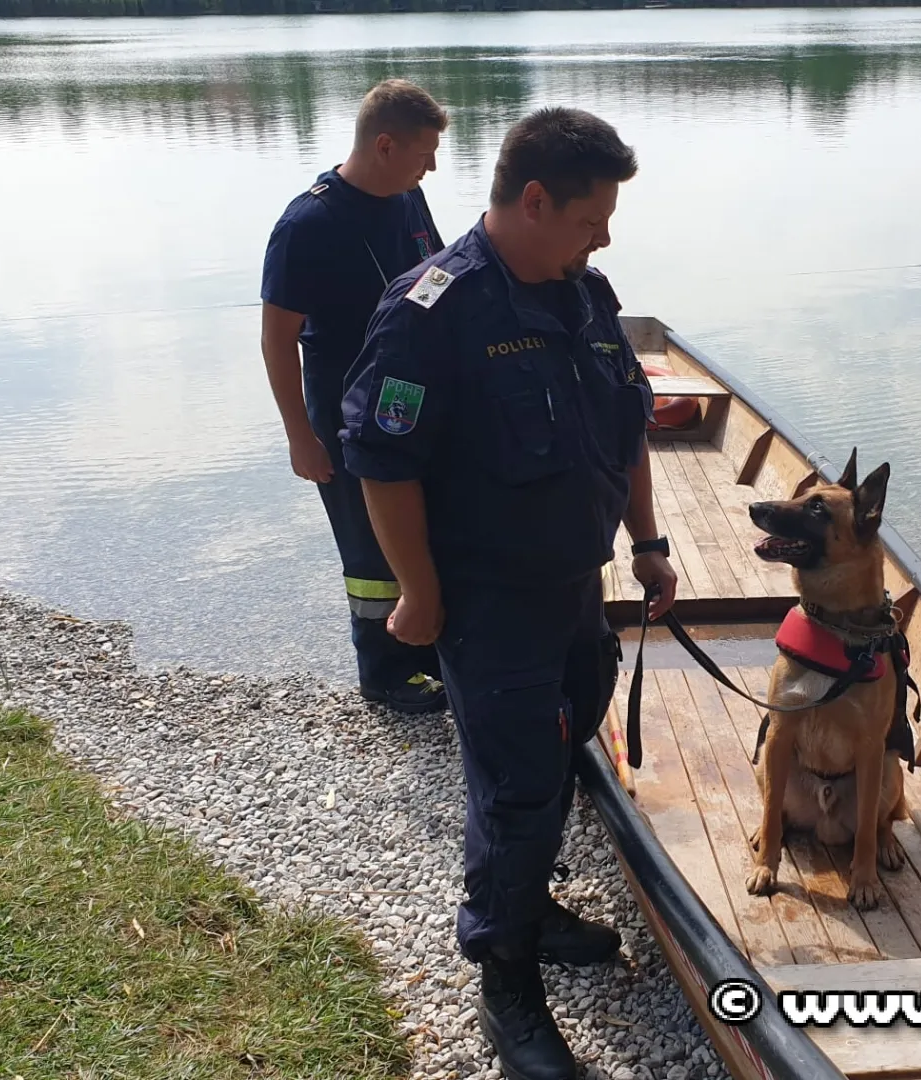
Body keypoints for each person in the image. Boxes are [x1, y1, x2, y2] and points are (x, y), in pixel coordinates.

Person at [340, 107, 679, 1080]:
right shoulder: (431, 313)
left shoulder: (585, 294)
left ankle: (529, 903)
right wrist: (416, 592)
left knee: (562, 749)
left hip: (576, 589)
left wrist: (649, 543)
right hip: (488, 605)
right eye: (591, 219)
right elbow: (383, 464)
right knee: (519, 783)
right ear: (534, 201)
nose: (603, 238)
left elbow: (627, 426)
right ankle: (507, 985)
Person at [259, 78, 451, 714]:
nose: (431, 167)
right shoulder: (308, 224)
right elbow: (277, 339)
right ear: (385, 145)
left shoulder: (409, 197)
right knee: (369, 546)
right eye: (424, 154)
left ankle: (429, 648)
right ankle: (384, 671)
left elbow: (441, 278)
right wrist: (300, 437)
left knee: (426, 525)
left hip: (415, 397)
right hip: (343, 405)